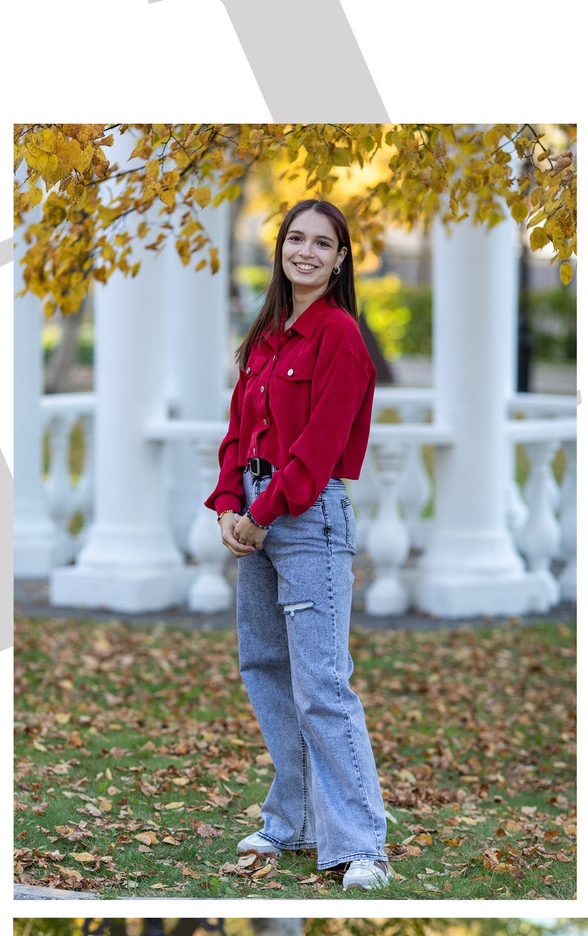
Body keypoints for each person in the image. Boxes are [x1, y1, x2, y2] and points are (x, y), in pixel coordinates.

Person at [205, 198, 389, 891]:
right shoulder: (266, 336)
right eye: (296, 239)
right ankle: (295, 821)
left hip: (306, 518)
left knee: (322, 685)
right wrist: (229, 503)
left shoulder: (339, 336)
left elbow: (318, 445)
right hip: (254, 510)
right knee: (265, 668)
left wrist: (266, 510)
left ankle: (361, 844)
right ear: (280, 248)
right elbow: (237, 432)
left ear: (341, 259)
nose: (305, 252)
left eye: (322, 243)